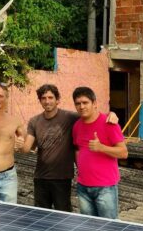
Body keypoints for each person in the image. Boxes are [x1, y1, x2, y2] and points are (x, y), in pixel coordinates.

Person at [19, 84, 119, 212]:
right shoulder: (34, 121)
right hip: (40, 177)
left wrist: (111, 113)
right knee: (40, 216)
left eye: (50, 97)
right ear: (39, 100)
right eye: (43, 98)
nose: (47, 101)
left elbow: (91, 114)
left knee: (63, 216)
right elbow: (26, 148)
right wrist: (20, 144)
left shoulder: (70, 117)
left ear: (57, 100)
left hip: (63, 178)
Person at [71, 86, 127, 219]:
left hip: (105, 187)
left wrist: (101, 147)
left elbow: (124, 153)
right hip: (83, 187)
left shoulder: (109, 123)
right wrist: (80, 170)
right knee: (89, 227)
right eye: (78, 103)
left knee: (109, 227)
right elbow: (78, 149)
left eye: (85, 102)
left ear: (94, 103)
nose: (81, 106)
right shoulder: (77, 126)